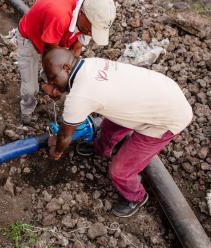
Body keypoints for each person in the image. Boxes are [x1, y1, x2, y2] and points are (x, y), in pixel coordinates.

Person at [42, 48, 193, 217]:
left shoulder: (80, 96)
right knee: (109, 125)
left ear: (67, 69)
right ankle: (101, 148)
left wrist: (57, 151)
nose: (52, 84)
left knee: (120, 171)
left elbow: (64, 136)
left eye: (53, 79)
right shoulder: (91, 63)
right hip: (161, 91)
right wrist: (58, 86)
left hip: (167, 118)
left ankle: (136, 197)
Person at [17, 0, 116, 124]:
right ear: (82, 13)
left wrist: (62, 82)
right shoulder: (59, 14)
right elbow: (50, 55)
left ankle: (47, 80)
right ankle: (26, 110)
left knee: (62, 77)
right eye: (92, 29)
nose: (91, 33)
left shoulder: (91, 16)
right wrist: (54, 83)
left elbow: (76, 48)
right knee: (30, 88)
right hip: (31, 38)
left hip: (58, 40)